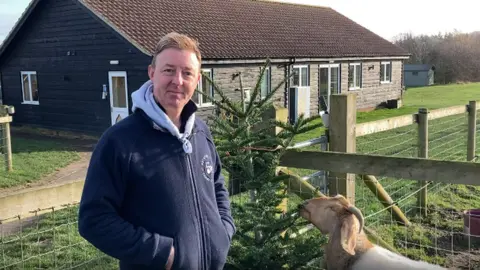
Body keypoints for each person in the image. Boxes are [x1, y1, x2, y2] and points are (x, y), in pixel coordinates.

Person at [78, 32, 236, 270]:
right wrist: (163, 253)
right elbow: (94, 219)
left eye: (187, 73)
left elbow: (216, 186)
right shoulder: (120, 141)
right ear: (152, 73)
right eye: (169, 70)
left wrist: (223, 230)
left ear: (198, 80)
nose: (178, 81)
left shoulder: (201, 132)